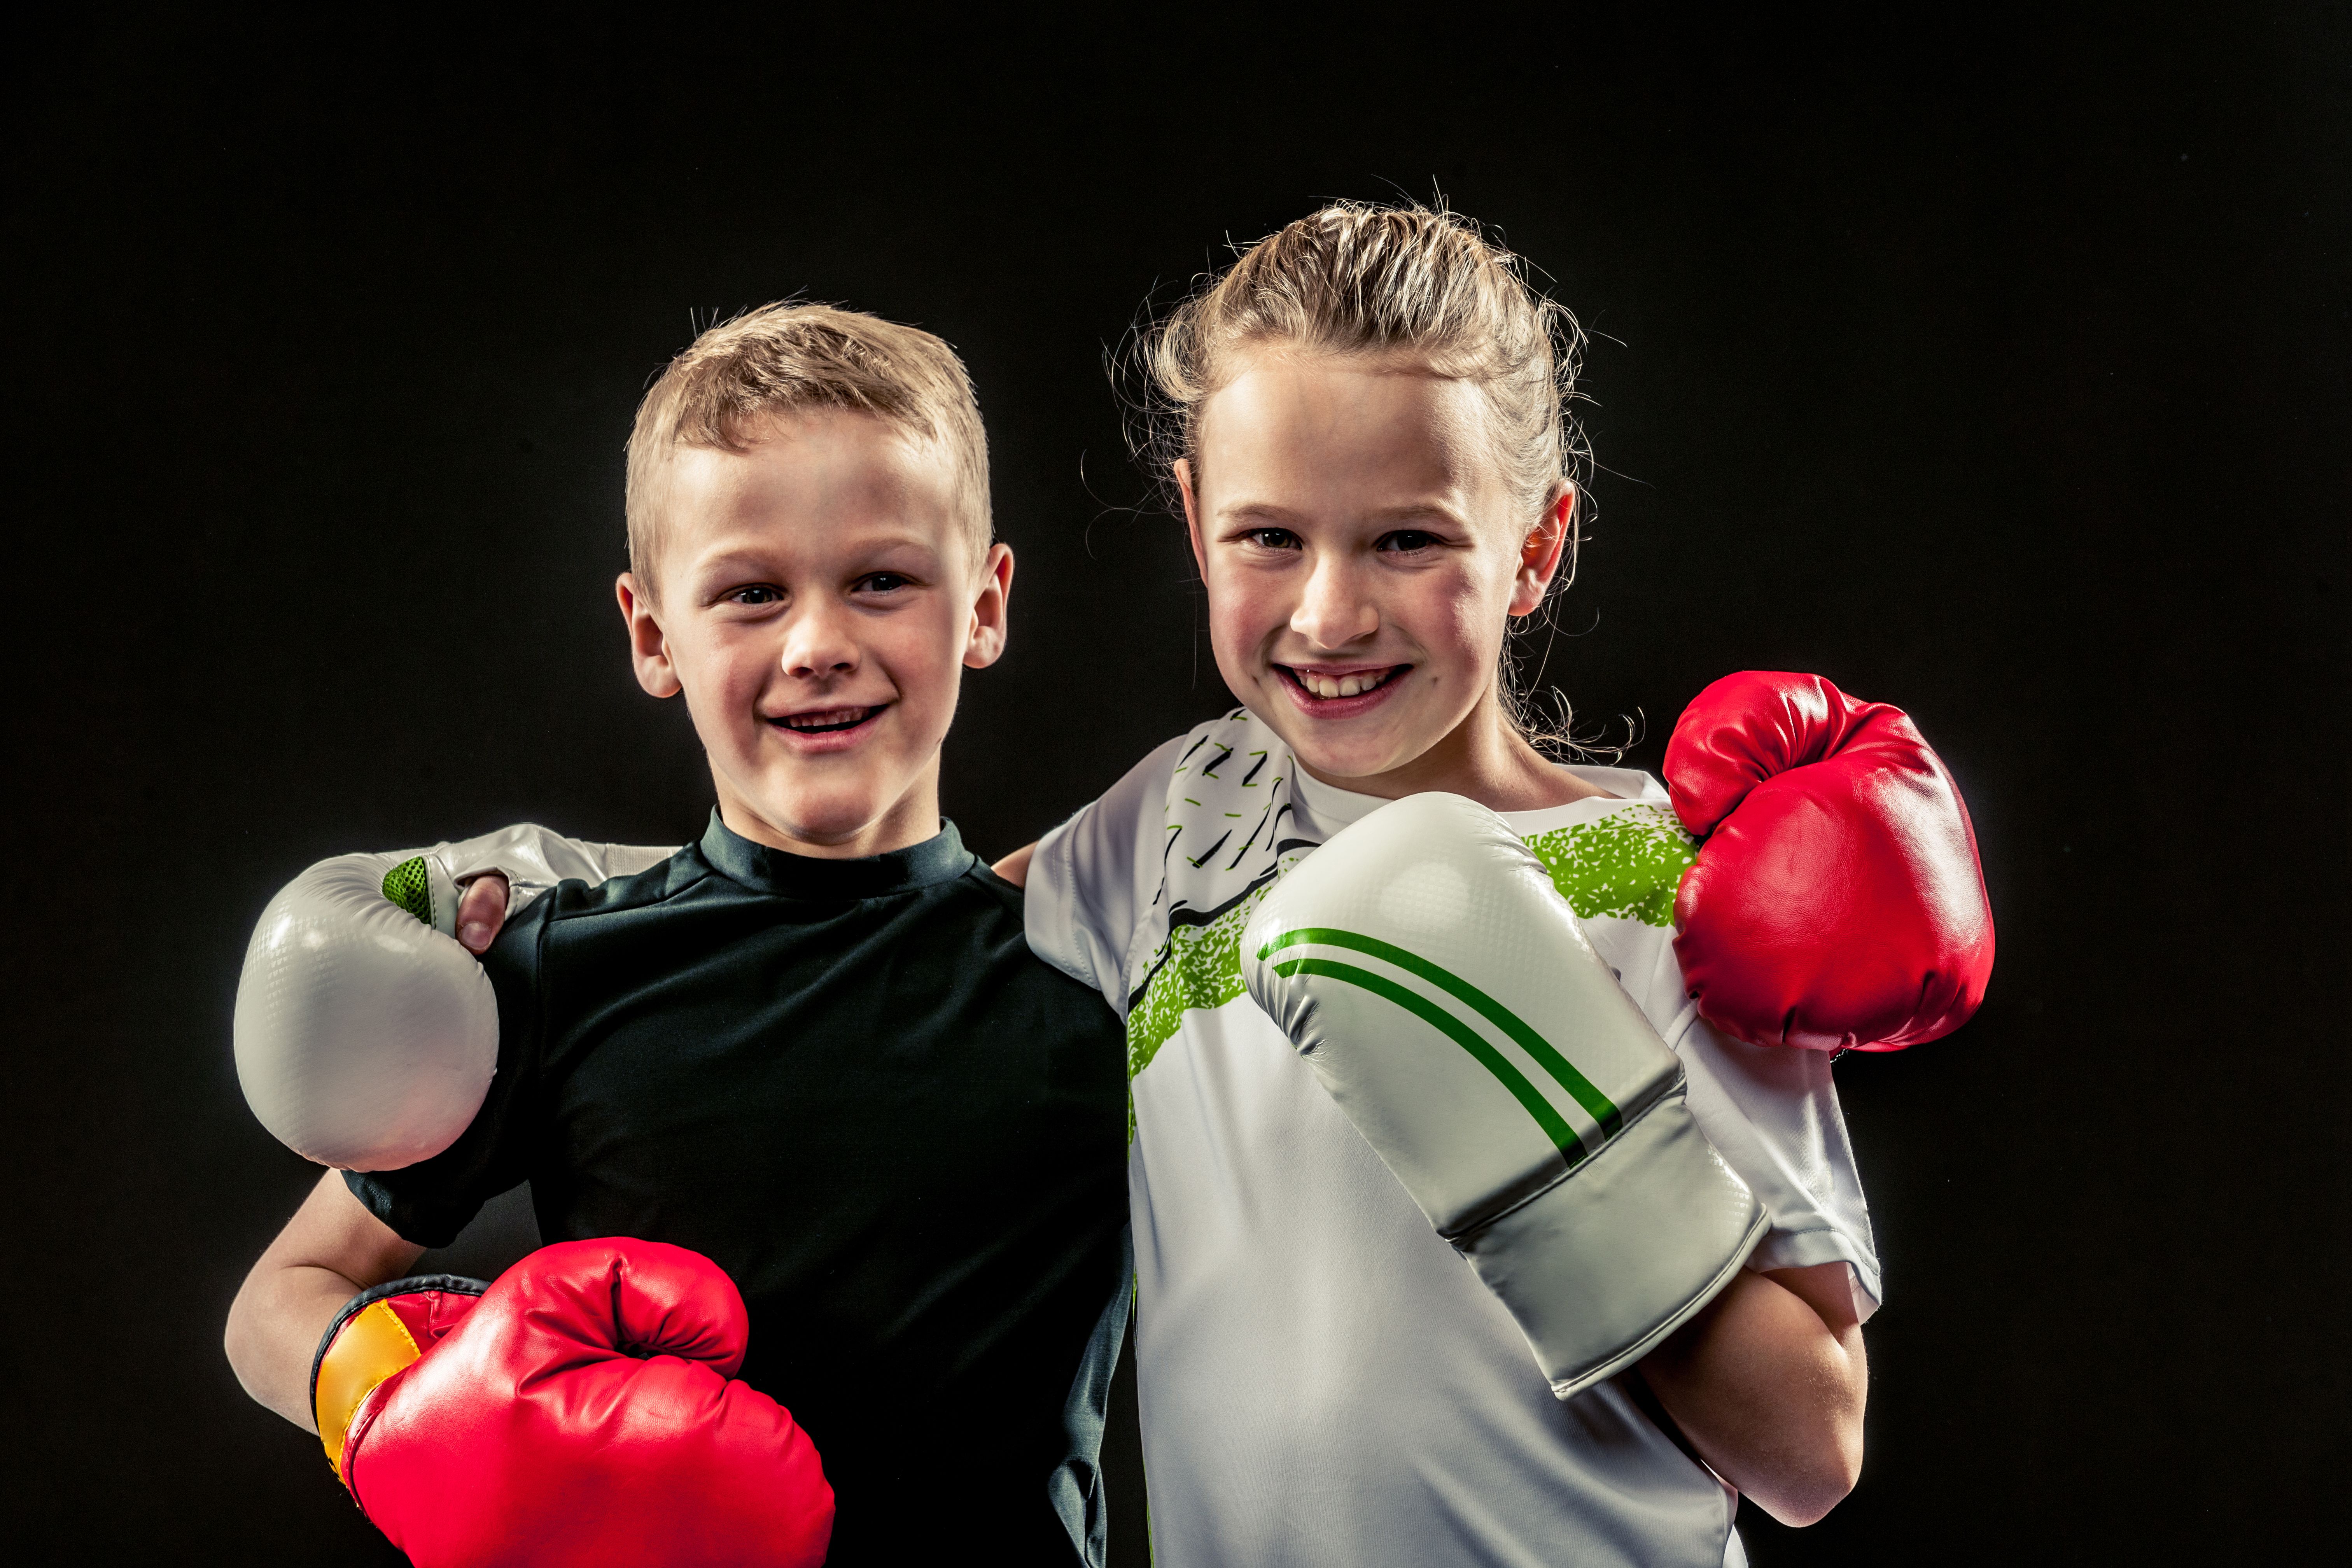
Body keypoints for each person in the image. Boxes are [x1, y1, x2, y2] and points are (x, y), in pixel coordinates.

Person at [251, 205, 1992, 1568]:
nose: (1329, 615)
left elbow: (1813, 1455)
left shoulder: (1666, 895)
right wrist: (481, 900)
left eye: (1408, 538)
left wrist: (1552, 1123)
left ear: (1535, 543)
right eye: (1270, 538)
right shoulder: (1174, 837)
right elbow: (843, 911)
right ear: (1195, 525)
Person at [223, 304, 1133, 1567]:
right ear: (655, 636)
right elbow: (278, 1297)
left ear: (983, 607)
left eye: (882, 579)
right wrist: (389, 1405)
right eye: (752, 592)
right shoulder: (555, 969)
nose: (819, 644)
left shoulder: (1097, 971)